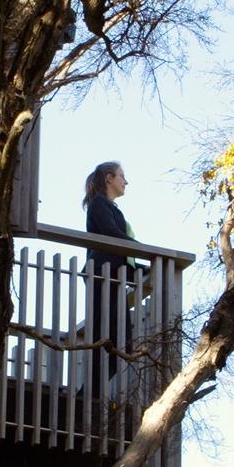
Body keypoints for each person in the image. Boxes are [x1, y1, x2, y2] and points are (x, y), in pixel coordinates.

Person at [82, 162, 138, 396]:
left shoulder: (114, 209)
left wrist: (140, 265)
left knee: (123, 343)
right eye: (122, 176)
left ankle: (89, 394)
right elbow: (112, 235)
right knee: (103, 340)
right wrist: (142, 249)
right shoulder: (98, 204)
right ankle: (87, 397)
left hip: (115, 278)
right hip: (102, 277)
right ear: (109, 178)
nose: (126, 181)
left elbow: (120, 245)